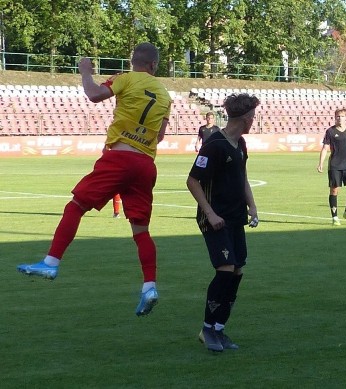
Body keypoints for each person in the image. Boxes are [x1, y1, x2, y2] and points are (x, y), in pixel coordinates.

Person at [16, 42, 172, 317]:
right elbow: (159, 136)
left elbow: (94, 94)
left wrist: (85, 71)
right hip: (146, 164)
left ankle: (51, 262)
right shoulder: (164, 94)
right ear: (154, 65)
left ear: (133, 61)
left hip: (120, 157)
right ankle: (149, 286)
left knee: (75, 206)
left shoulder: (125, 78)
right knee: (141, 231)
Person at [187, 93, 260, 352]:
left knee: (237, 271)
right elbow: (192, 180)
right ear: (245, 118)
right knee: (226, 269)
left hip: (235, 217)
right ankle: (207, 329)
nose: (254, 120)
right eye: (253, 116)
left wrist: (251, 206)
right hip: (215, 218)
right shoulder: (214, 144)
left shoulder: (240, 144)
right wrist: (210, 213)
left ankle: (219, 329)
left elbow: (243, 177)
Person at [316, 108, 346, 226]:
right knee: (334, 190)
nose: (340, 118)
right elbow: (325, 148)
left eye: (342, 116)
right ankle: (335, 217)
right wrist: (321, 163)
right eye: (338, 116)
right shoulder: (330, 131)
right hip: (335, 165)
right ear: (335, 118)